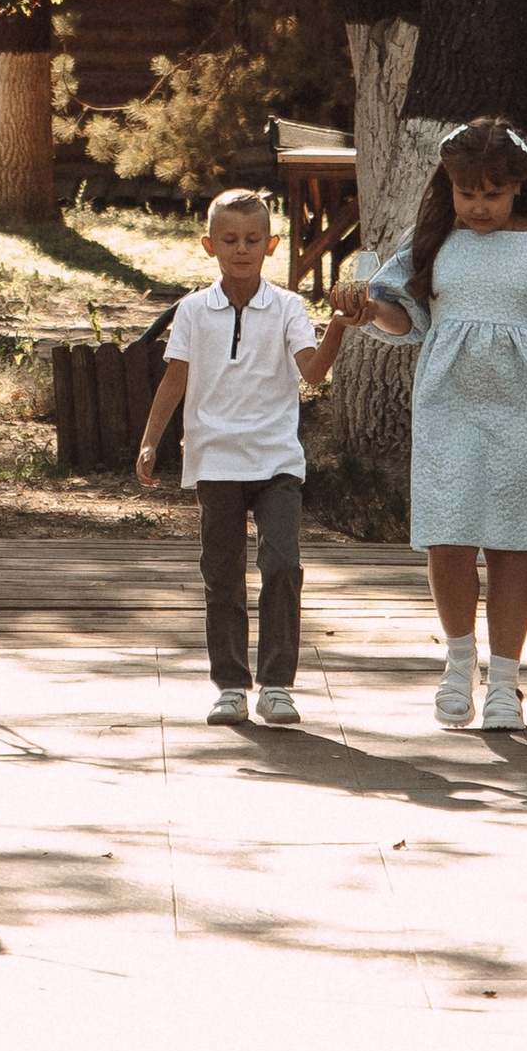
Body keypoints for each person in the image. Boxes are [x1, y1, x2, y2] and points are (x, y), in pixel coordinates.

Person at [337, 117, 527, 732]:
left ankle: (506, 683)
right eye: (466, 193)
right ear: (450, 186)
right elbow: (404, 318)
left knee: (511, 544)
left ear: (519, 185)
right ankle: (458, 665)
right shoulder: (435, 242)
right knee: (448, 535)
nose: (479, 206)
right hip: (450, 407)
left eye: (493, 193)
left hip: (526, 410)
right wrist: (368, 311)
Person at [136, 186, 353, 725]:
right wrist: (150, 439)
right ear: (208, 245)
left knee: (282, 565)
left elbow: (313, 372)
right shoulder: (192, 311)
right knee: (222, 574)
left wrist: (339, 325)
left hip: (276, 460)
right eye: (229, 239)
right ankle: (230, 686)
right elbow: (176, 377)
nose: (241, 249)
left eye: (253, 239)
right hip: (215, 459)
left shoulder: (288, 307)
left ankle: (276, 685)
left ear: (271, 245)